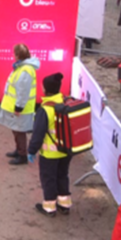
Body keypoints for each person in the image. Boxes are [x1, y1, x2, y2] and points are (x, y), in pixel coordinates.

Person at [27, 72, 73, 214]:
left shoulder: (45, 110)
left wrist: (32, 150)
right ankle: (64, 204)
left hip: (50, 154)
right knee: (62, 175)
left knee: (48, 179)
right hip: (66, 151)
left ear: (45, 89)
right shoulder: (65, 103)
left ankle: (49, 207)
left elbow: (38, 134)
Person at [0, 44, 40, 166]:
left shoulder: (25, 71)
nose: (13, 55)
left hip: (22, 108)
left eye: (14, 53)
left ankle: (22, 155)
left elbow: (22, 91)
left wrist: (18, 107)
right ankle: (19, 150)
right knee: (16, 130)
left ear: (18, 55)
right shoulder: (23, 68)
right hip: (19, 106)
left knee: (19, 131)